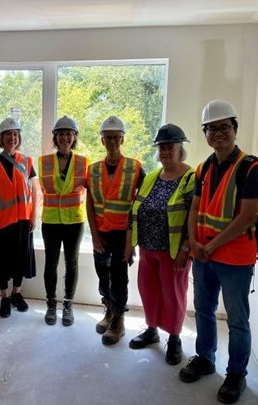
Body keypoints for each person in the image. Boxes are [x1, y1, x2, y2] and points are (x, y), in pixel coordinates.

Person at [179, 100, 258, 404]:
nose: (218, 133)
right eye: (212, 128)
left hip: (234, 260)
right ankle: (205, 359)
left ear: (235, 129)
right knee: (202, 310)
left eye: (224, 127)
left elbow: (248, 215)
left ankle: (236, 375)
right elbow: (194, 206)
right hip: (203, 255)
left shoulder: (251, 168)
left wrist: (211, 245)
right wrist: (192, 240)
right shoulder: (203, 168)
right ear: (204, 134)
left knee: (237, 320)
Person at [124, 124, 194, 365]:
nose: (165, 152)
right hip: (147, 248)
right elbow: (135, 211)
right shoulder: (153, 176)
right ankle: (152, 329)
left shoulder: (190, 178)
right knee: (149, 290)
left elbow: (193, 219)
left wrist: (186, 249)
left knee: (173, 295)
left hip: (173, 252)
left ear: (180, 149)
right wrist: (129, 244)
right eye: (162, 148)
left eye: (170, 147)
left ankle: (174, 338)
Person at [86, 115, 145, 345]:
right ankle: (109, 310)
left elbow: (140, 204)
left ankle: (118, 320)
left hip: (123, 234)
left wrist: (132, 242)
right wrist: (94, 236)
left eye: (115, 138)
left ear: (122, 139)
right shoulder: (93, 170)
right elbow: (89, 204)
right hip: (101, 233)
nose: (111, 142)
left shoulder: (134, 168)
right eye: (107, 138)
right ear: (102, 140)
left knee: (119, 277)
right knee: (103, 276)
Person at [0, 117, 39, 318]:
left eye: (15, 134)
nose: (12, 138)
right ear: (1, 138)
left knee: (20, 260)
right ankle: (5, 297)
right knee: (1, 261)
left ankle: (17, 293)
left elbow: (35, 191)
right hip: (0, 221)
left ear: (19, 137)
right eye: (8, 134)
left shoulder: (27, 161)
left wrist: (34, 215)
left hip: (23, 220)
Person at [38, 116, 88, 326]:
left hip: (74, 221)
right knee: (51, 263)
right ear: (55, 137)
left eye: (69, 134)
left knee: (72, 263)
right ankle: (51, 304)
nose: (65, 138)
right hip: (50, 220)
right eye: (61, 134)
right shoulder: (43, 162)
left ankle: (68, 305)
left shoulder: (83, 162)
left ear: (74, 137)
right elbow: (42, 189)